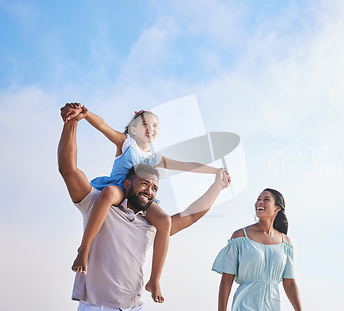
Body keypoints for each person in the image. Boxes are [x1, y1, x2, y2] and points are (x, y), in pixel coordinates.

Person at [58, 104, 230, 310]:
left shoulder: (153, 160)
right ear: (133, 129)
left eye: (155, 125)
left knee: (165, 221)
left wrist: (215, 175)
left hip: (132, 305)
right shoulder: (126, 144)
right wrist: (83, 116)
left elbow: (186, 168)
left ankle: (154, 279)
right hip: (117, 188)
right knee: (110, 194)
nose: (151, 129)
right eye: (145, 124)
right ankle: (84, 249)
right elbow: (101, 129)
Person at [212, 188, 302, 311]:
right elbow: (227, 279)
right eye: (258, 199)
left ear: (277, 208)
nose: (259, 202)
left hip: (273, 307)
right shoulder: (240, 237)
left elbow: (290, 283)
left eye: (266, 199)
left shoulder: (285, 243)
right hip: (244, 306)